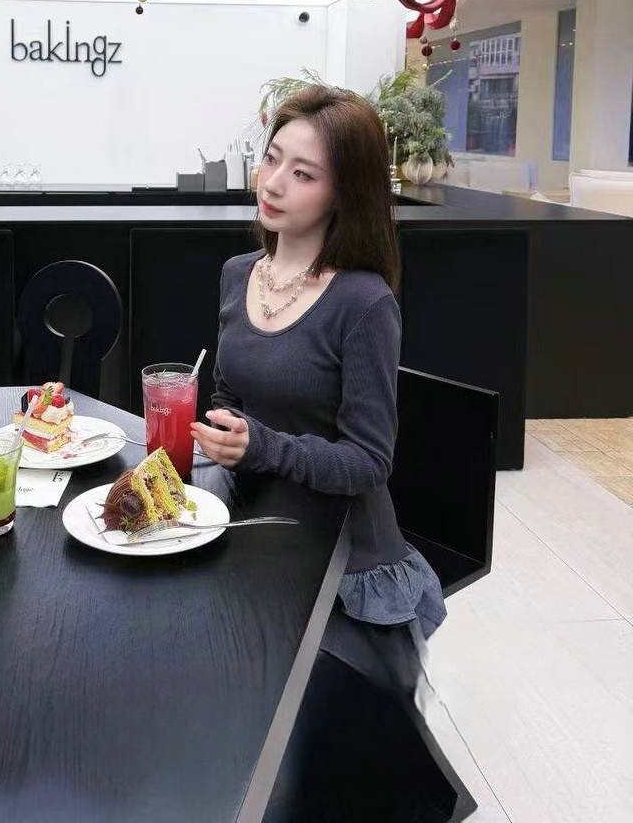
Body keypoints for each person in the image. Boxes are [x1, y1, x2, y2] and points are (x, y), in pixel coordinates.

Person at [191, 83, 457, 819]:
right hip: (258, 530)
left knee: (315, 762)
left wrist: (262, 447)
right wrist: (220, 434)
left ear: (344, 194)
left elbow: (369, 462)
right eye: (273, 158)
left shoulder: (364, 303)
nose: (274, 183)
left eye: (303, 173)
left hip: (344, 557)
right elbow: (234, 395)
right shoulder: (238, 275)